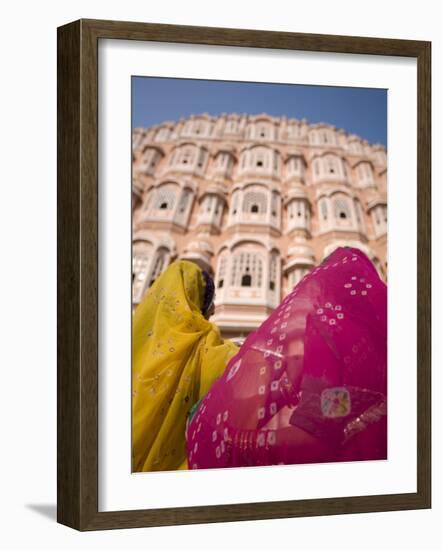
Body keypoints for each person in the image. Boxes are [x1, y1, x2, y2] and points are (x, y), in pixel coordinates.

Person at [186, 247, 387, 469]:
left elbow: (315, 435)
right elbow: (340, 404)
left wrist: (234, 438)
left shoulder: (329, 331)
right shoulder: (383, 331)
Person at [132, 260, 238, 472]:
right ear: (193, 299)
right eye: (210, 300)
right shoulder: (208, 348)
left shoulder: (129, 340)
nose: (214, 309)